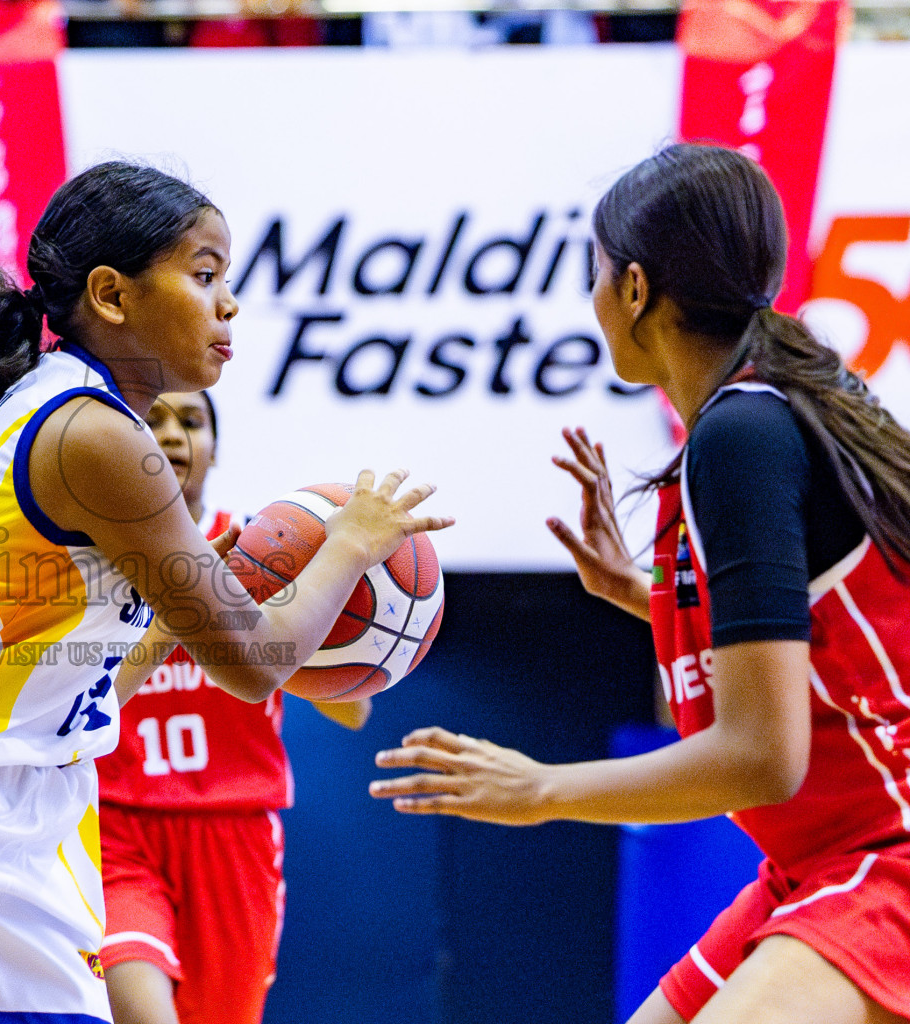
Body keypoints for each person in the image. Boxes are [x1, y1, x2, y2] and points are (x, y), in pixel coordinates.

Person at [0, 161, 452, 1024]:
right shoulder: (97, 435)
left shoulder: (59, 404)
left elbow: (68, 690)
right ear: (112, 295)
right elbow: (257, 661)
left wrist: (163, 629)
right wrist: (350, 544)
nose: (228, 304)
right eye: (204, 275)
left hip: (27, 818)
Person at [369, 143, 910, 1024]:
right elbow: (813, 638)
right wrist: (643, 593)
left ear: (632, 288)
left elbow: (764, 758)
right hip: (816, 862)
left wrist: (540, 789)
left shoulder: (742, 435)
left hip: (886, 852)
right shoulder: (757, 416)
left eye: (593, 273)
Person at [98, 391, 371, 1024]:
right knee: (136, 1002)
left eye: (191, 422)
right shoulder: (88, 561)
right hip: (114, 821)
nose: (172, 434)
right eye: (152, 420)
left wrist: (302, 616)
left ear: (215, 447)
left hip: (232, 827)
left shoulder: (266, 556)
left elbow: (353, 711)